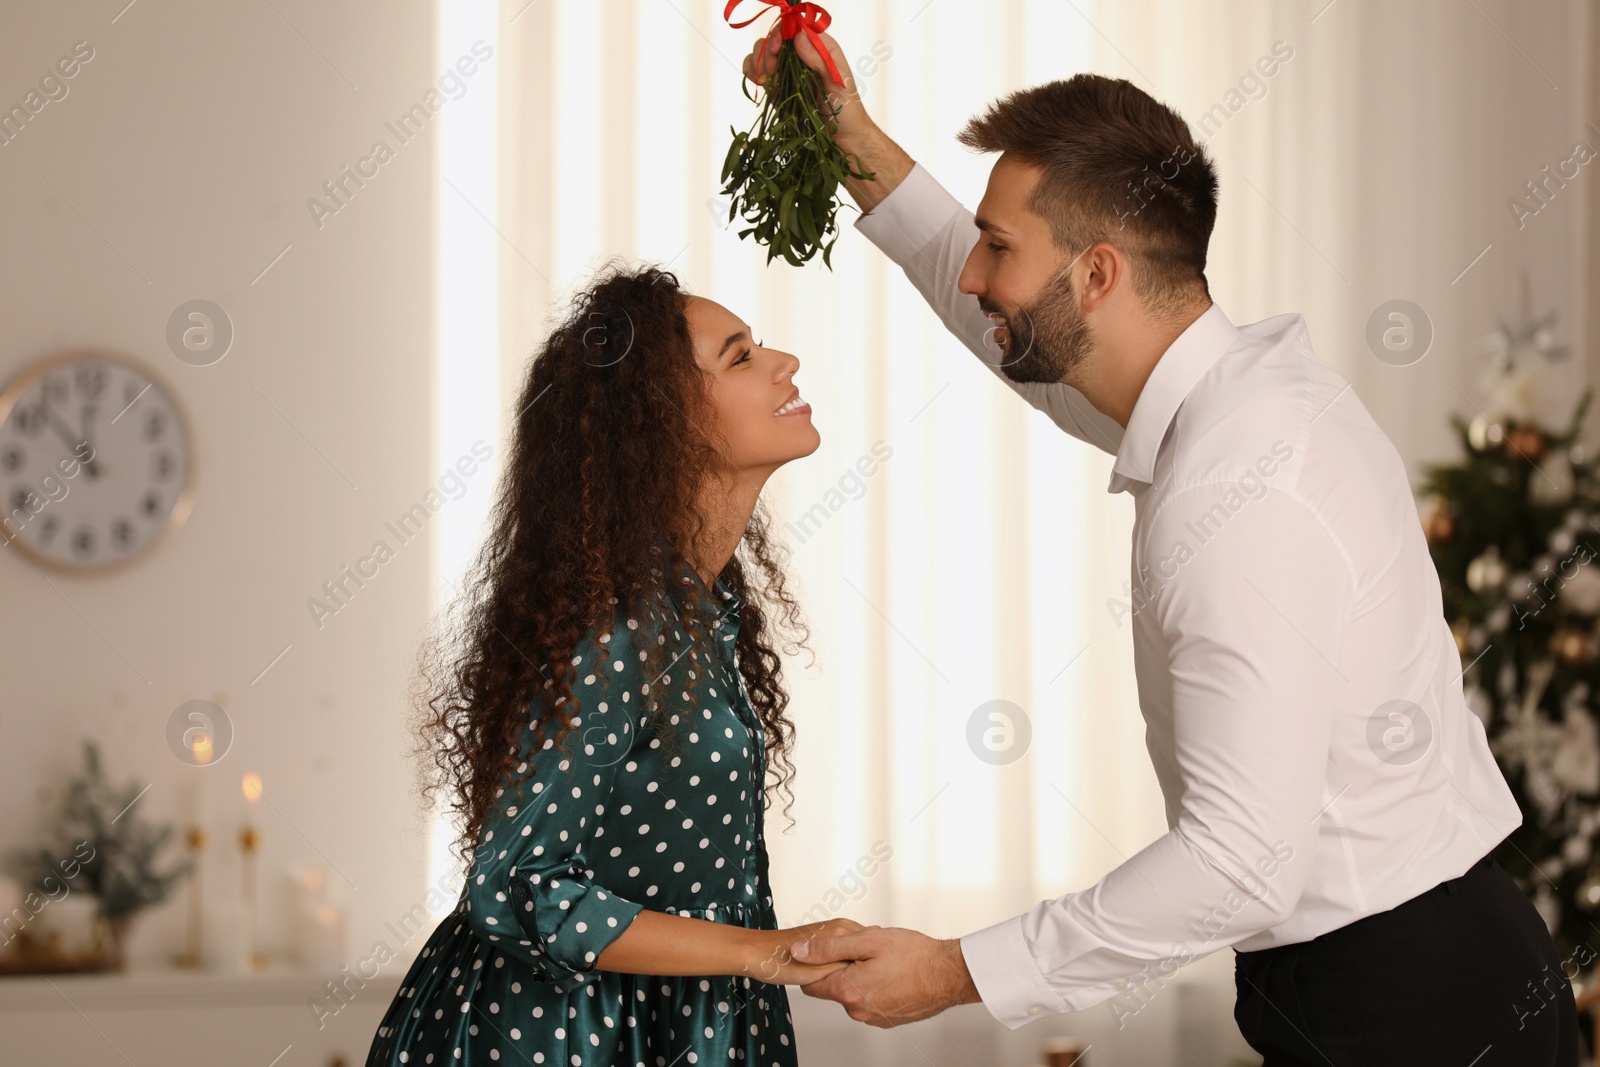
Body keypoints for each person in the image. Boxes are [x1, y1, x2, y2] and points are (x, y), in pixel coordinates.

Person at [740, 27, 1581, 1066]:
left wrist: (957, 969)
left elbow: (1242, 860)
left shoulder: (1236, 484)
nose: (973, 277)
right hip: (1412, 963)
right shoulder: (1234, 393)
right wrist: (845, 135)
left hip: (1406, 1005)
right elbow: (1015, 340)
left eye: (997, 247)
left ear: (1096, 275)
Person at [365, 262, 858, 1067]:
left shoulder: (702, 612)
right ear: (663, 422)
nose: (785, 363)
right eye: (739, 357)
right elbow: (517, 885)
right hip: (552, 1038)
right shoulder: (620, 631)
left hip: (659, 1023)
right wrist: (767, 953)